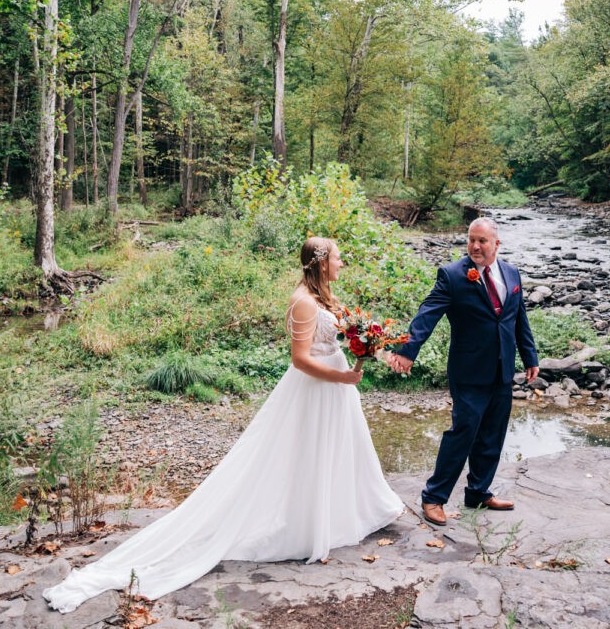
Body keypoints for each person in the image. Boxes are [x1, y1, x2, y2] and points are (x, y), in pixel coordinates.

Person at [43, 237, 403, 613]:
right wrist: (341, 378)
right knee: (307, 454)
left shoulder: (326, 297)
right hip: (316, 389)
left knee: (339, 449)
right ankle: (305, 526)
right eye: (338, 259)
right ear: (321, 263)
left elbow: (349, 335)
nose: (342, 264)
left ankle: (344, 513)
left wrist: (383, 351)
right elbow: (299, 359)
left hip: (335, 389)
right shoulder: (303, 302)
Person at [388, 217, 539, 526]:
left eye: (482, 241)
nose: (475, 246)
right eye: (471, 239)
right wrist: (407, 351)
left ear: (497, 244)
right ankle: (433, 497)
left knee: (492, 434)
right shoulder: (453, 275)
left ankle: (478, 492)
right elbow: (427, 314)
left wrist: (530, 356)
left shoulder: (511, 273)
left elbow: (517, 318)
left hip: (502, 369)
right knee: (463, 432)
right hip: (468, 370)